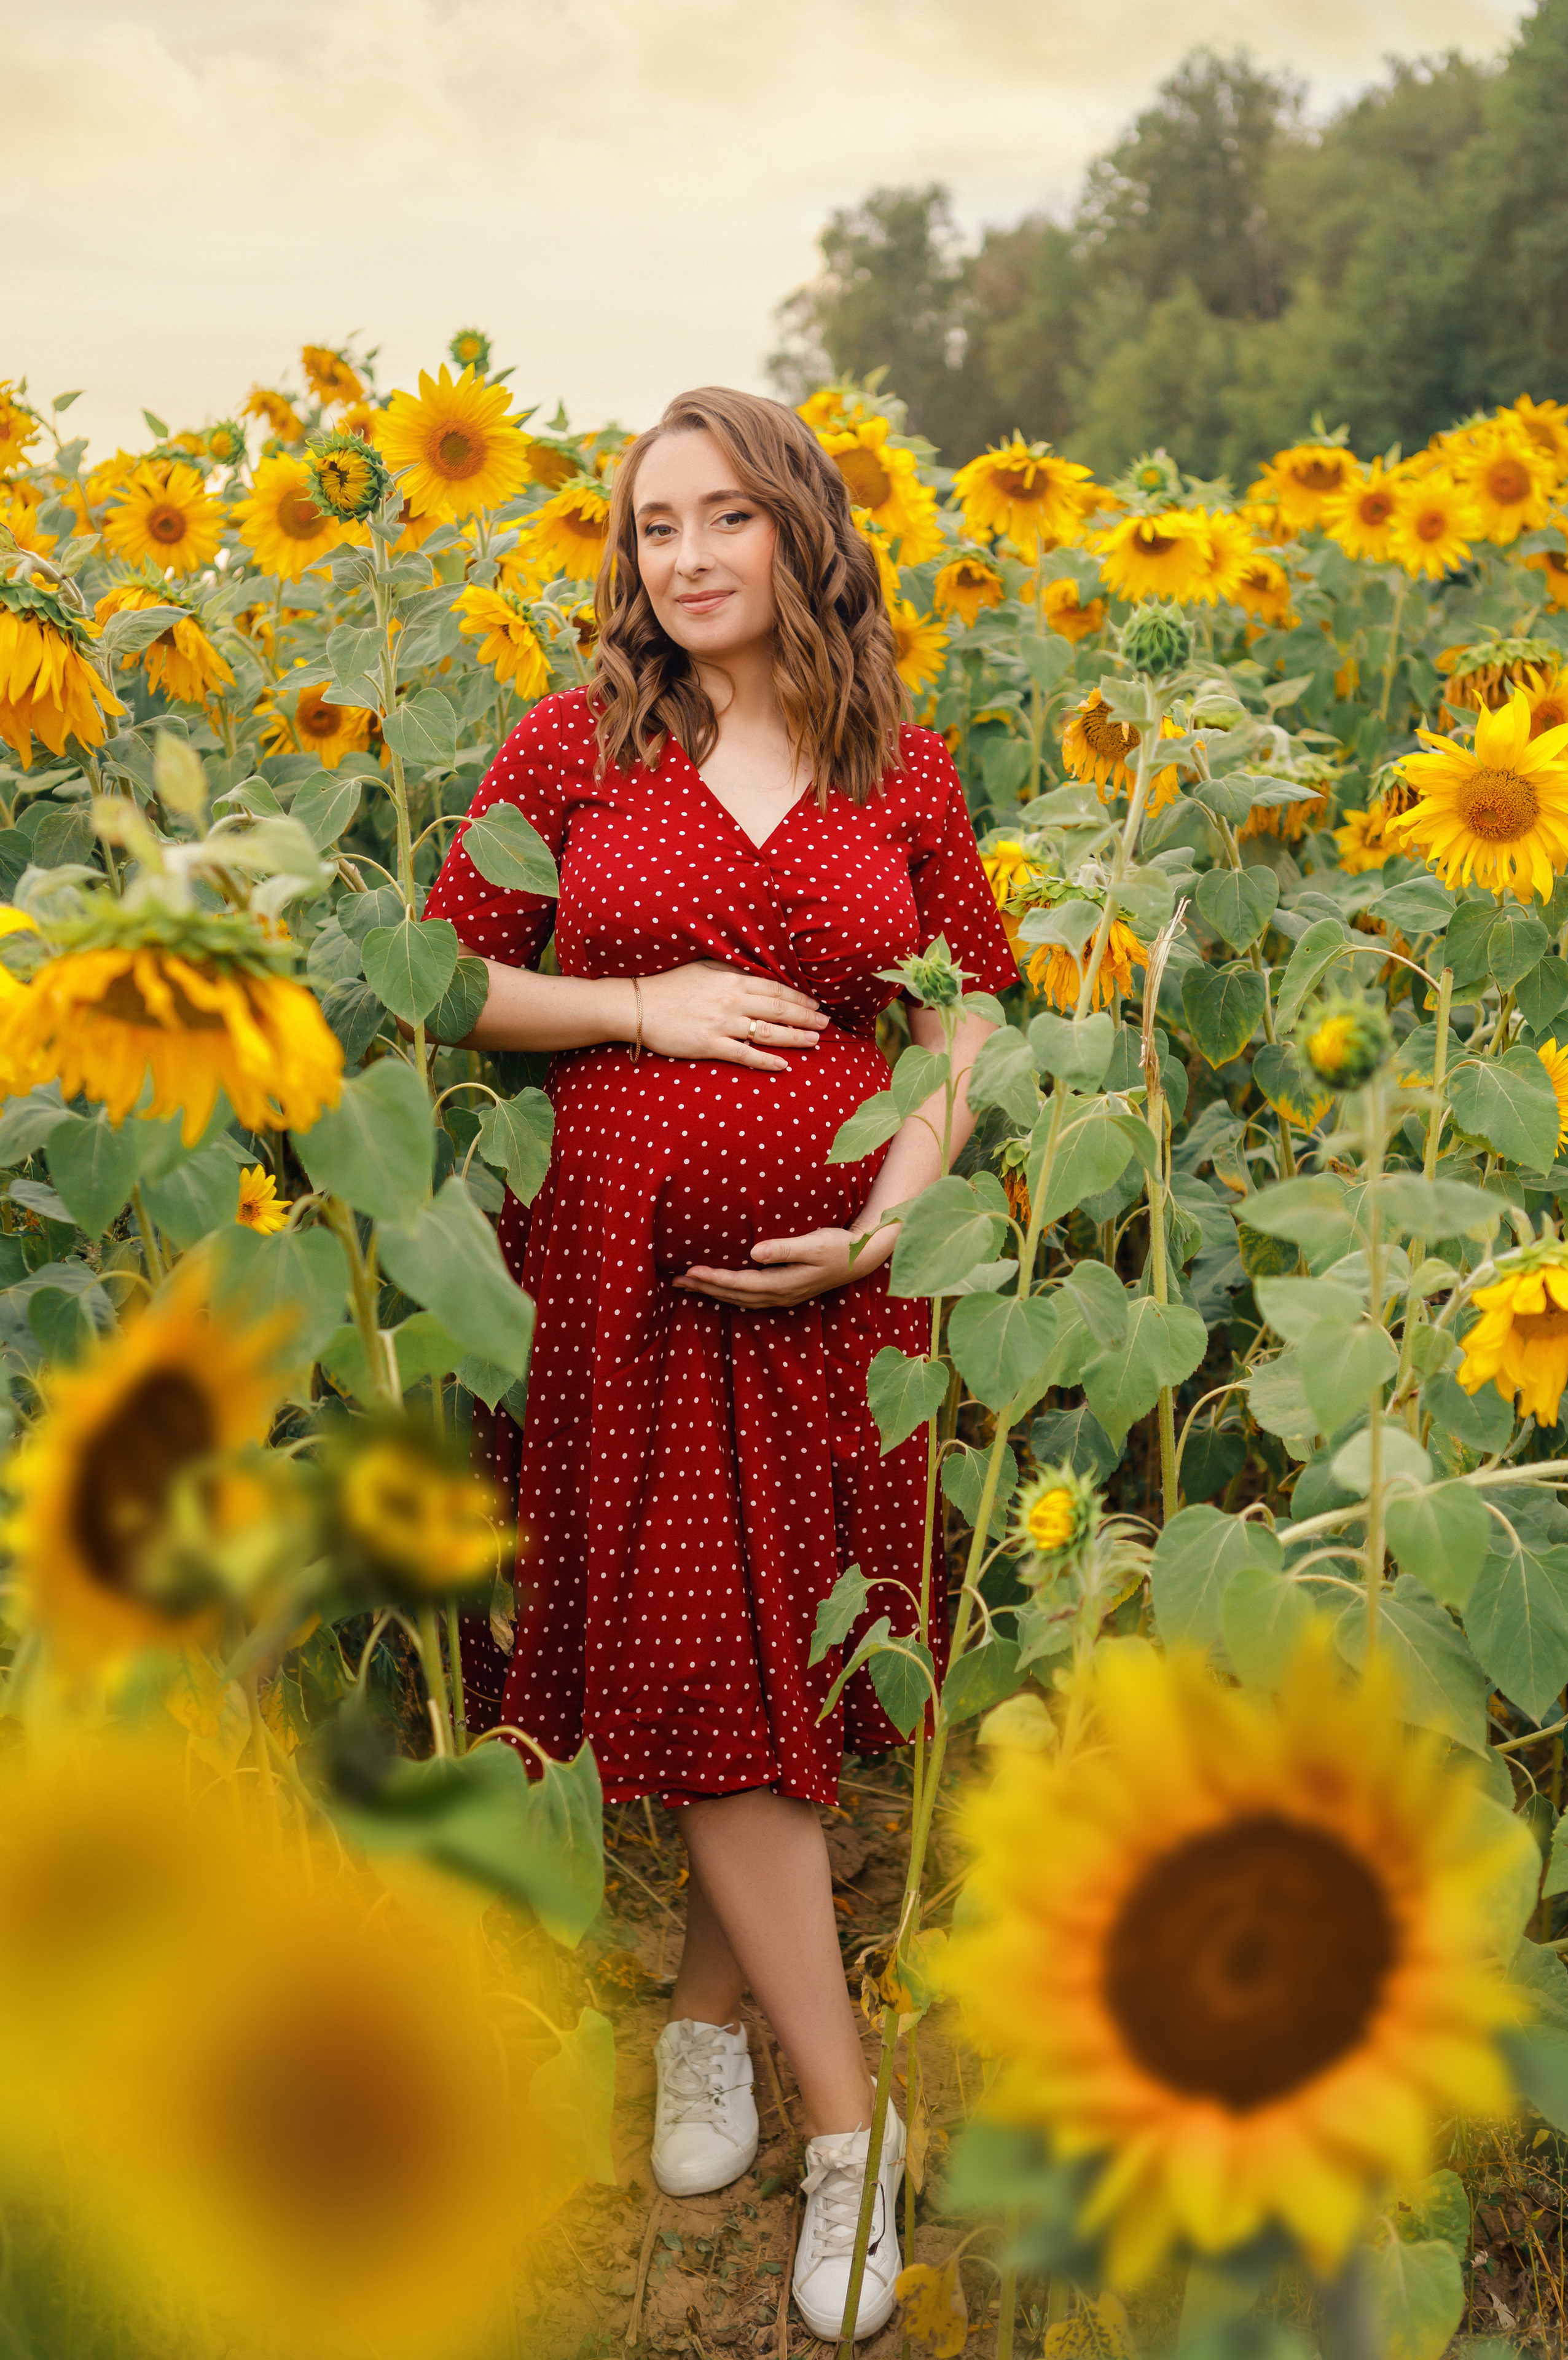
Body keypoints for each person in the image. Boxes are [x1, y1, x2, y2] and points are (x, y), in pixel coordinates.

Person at [423, 387, 1019, 2340]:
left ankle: (704, 2021)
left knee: (793, 1653)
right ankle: (849, 2133)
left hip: (853, 1282)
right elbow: (447, 974)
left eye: (722, 520)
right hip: (622, 1282)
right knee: (703, 1647)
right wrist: (640, 1005)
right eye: (652, 525)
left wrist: (896, 1200)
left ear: (799, 536)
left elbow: (968, 1011)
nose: (682, 558)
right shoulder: (570, 746)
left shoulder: (901, 767)